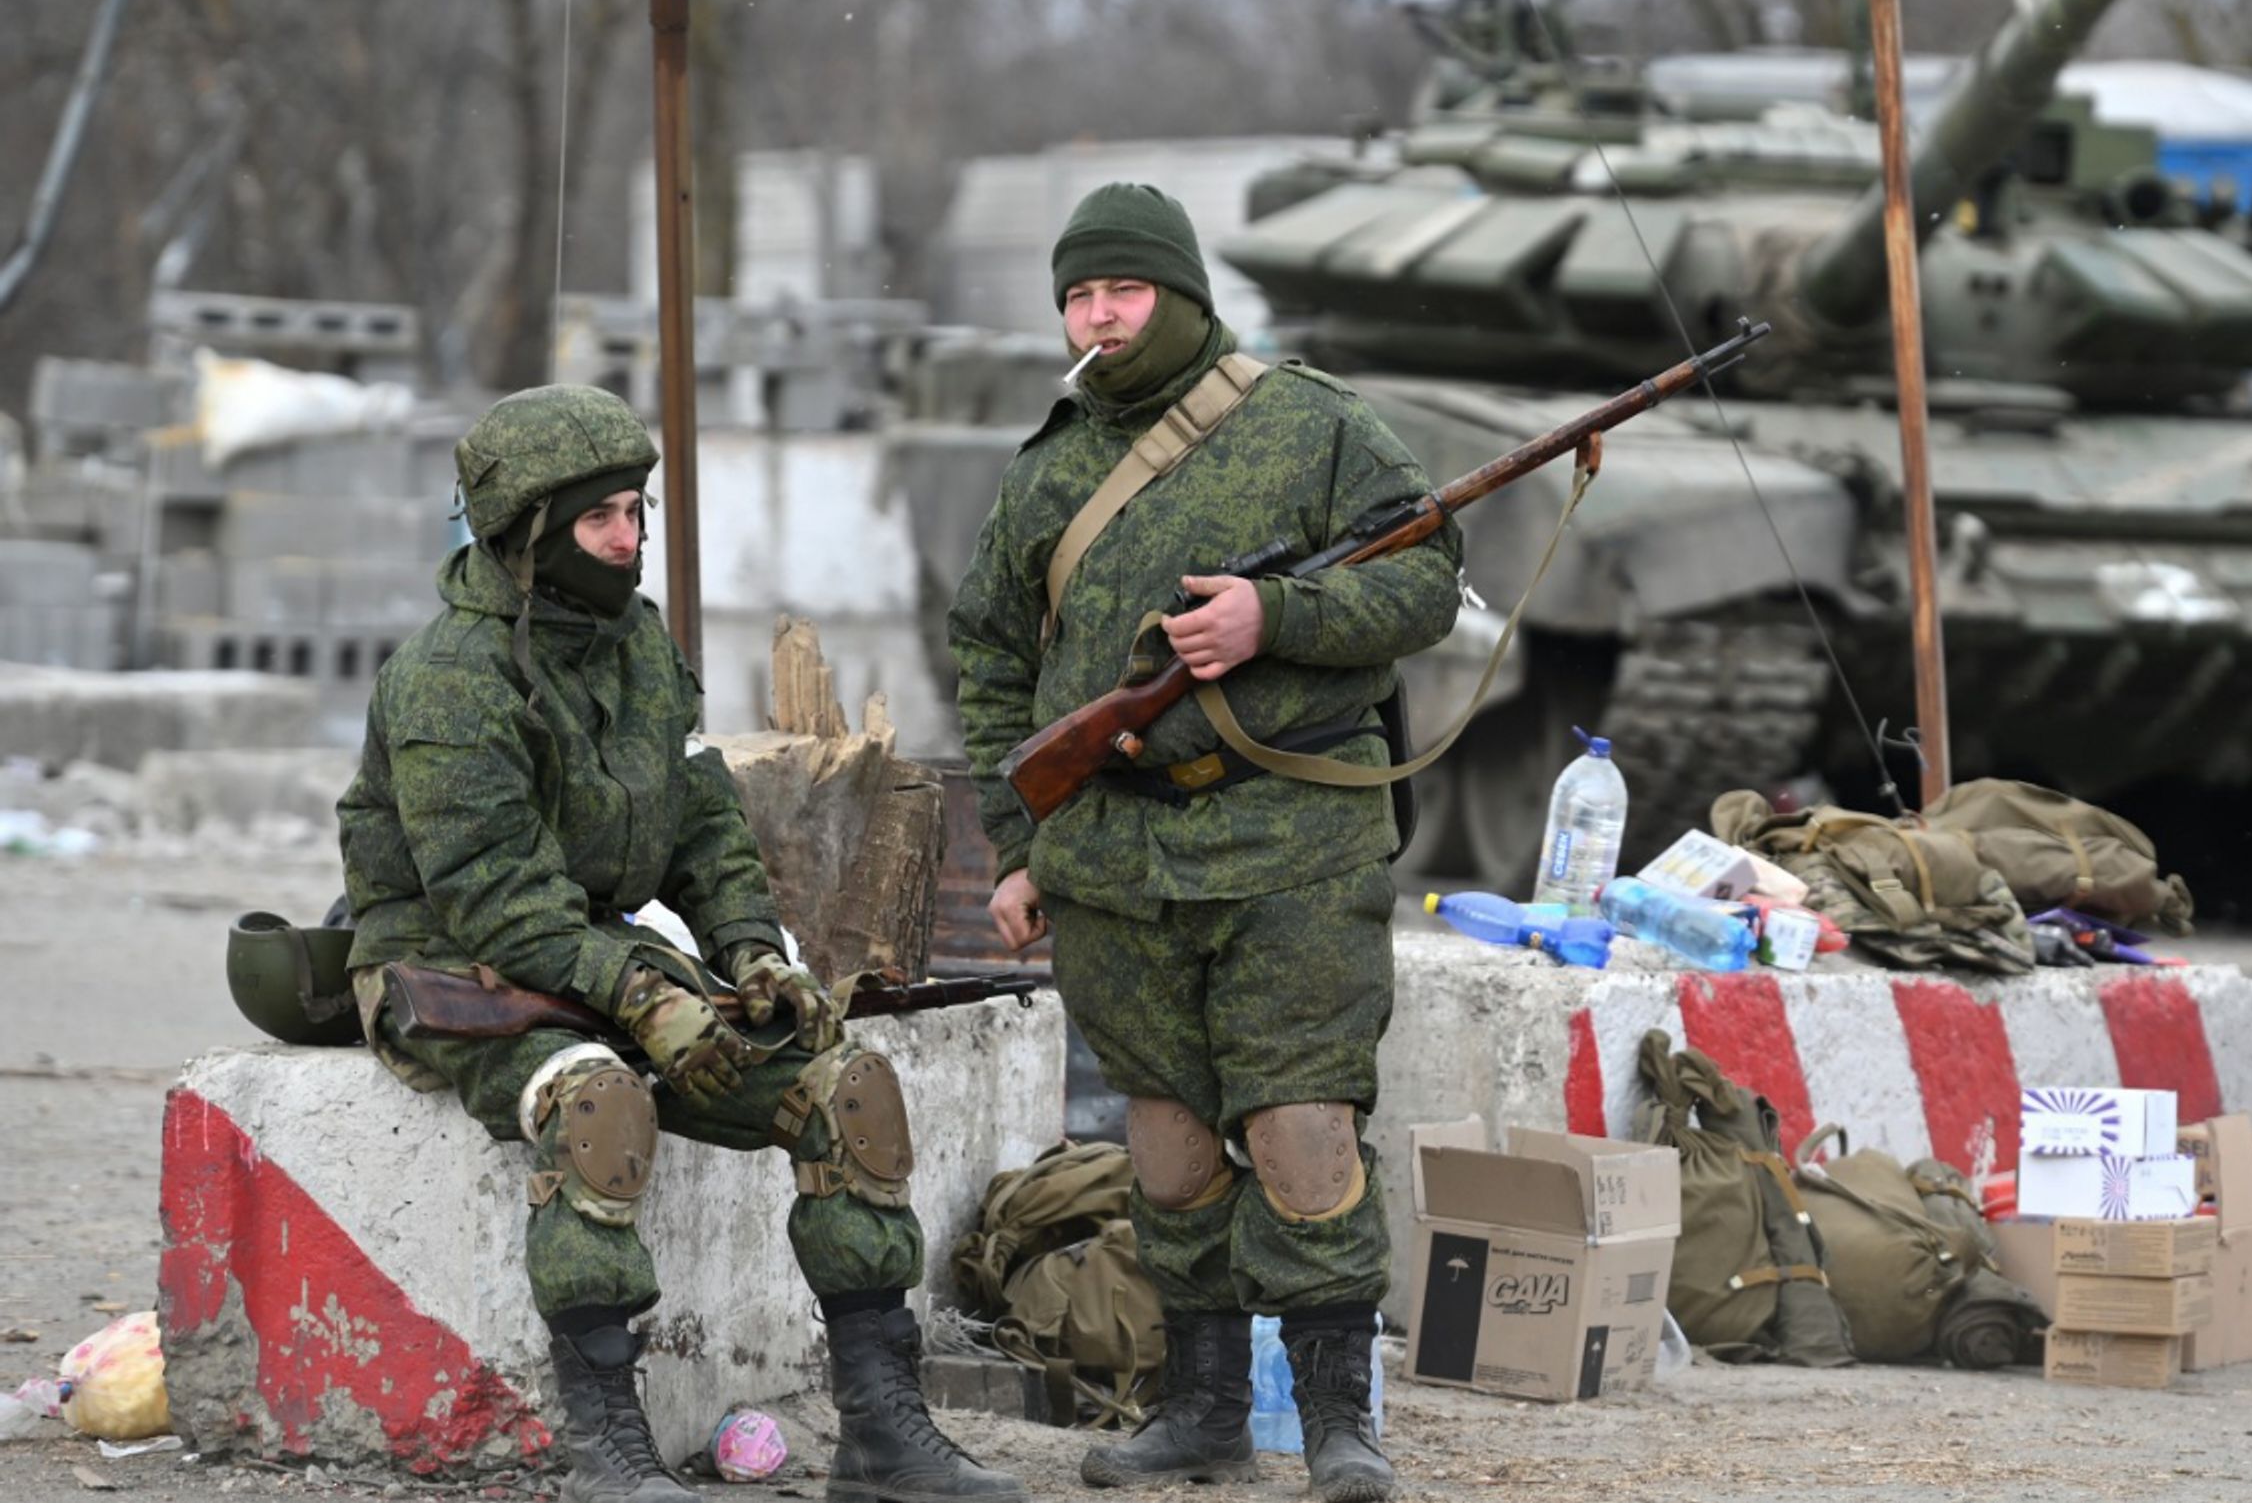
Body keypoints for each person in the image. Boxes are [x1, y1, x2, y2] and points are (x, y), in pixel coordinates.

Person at [337, 384, 1018, 1503]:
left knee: (845, 1090)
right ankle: (607, 1450)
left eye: (636, 511)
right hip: (452, 965)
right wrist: (647, 1001)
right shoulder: (449, 678)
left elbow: (703, 825)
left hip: (591, 952)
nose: (629, 539)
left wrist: (753, 954)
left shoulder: (636, 647)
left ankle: (882, 1435)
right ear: (528, 536)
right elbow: (495, 894)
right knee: (600, 1103)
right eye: (600, 518)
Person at [948, 184, 1461, 1501]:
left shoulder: (1313, 423)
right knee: (1170, 1148)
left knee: (1301, 1129)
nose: (1099, 317)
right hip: (1115, 855)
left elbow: (1425, 581)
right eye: (1078, 296)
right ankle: (1203, 1411)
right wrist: (1017, 845)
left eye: (1122, 290)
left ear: (1179, 294)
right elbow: (991, 661)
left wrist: (1270, 619)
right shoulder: (1048, 468)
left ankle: (1339, 1420)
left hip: (1293, 838)